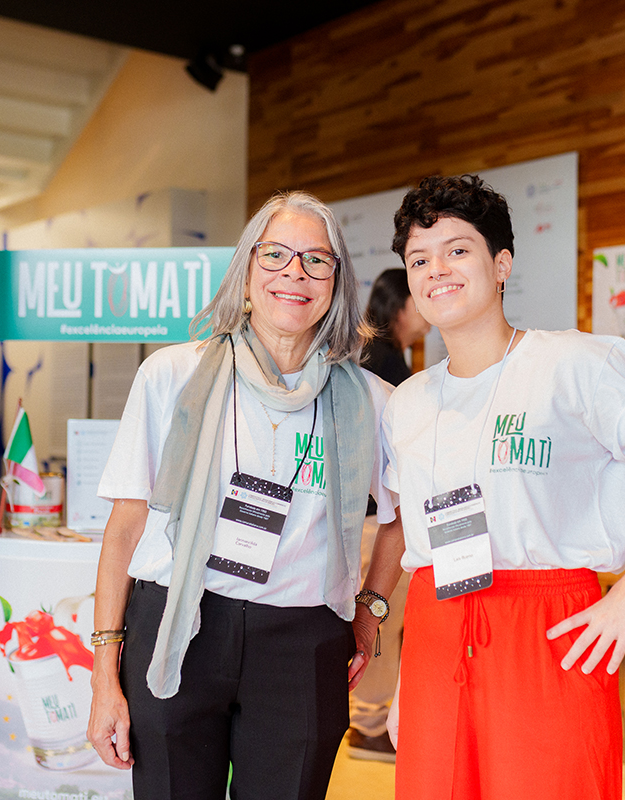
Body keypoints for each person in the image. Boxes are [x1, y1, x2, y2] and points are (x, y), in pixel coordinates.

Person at [351, 175, 625, 799]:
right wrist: (378, 628)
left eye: (457, 250)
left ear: (501, 265)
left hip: (550, 630)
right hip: (436, 630)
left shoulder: (577, 363)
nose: (436, 270)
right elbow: (405, 527)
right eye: (419, 259)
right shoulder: (408, 402)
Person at [87, 192, 399, 800]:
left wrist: (369, 611)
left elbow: (400, 518)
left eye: (316, 260)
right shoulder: (172, 375)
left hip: (303, 641)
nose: (295, 273)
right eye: (275, 254)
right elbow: (125, 526)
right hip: (177, 626)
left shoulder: (371, 400)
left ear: (337, 281)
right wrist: (105, 673)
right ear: (247, 269)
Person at [347, 268, 430, 762]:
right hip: (378, 522)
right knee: (377, 620)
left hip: (374, 519)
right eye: (419, 298)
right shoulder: (383, 365)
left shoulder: (374, 356)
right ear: (399, 305)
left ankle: (370, 719)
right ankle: (369, 723)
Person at [360, 268, 430, 387]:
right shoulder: (385, 362)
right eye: (418, 299)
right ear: (396, 305)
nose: (426, 307)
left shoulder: (380, 354)